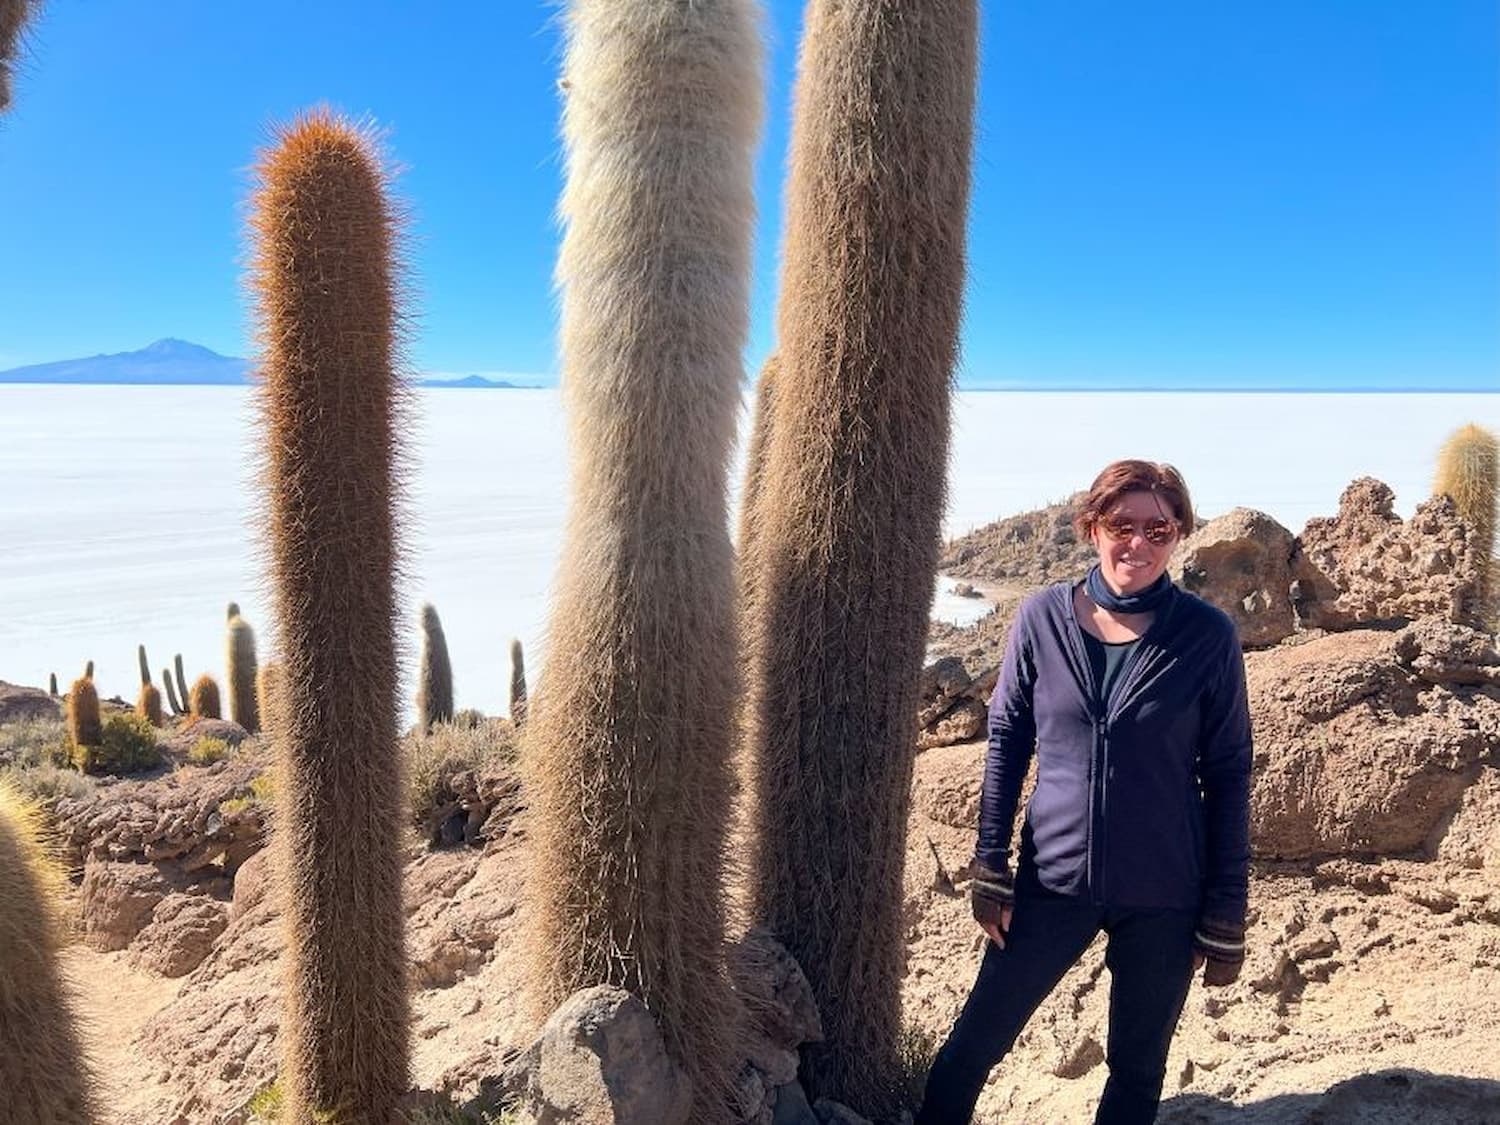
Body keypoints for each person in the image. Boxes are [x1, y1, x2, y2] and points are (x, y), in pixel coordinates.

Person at [917, 460, 1252, 1125]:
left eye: (1159, 529)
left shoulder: (1206, 636)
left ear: (1180, 533)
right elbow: (1009, 738)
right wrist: (990, 862)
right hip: (1052, 883)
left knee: (1136, 1070)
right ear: (1091, 527)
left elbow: (1229, 772)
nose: (1139, 543)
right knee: (971, 1046)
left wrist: (1225, 911)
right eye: (1122, 525)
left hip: (1164, 894)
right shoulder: (1043, 617)